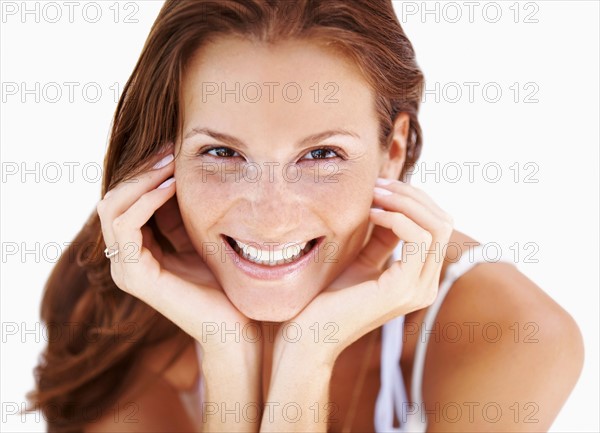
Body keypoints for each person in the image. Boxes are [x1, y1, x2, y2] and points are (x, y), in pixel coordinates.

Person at [26, 1, 584, 432]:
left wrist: (310, 352)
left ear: (393, 151)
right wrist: (227, 351)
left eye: (322, 156)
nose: (270, 216)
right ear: (165, 156)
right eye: (222, 153)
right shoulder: (113, 311)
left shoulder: (515, 334)